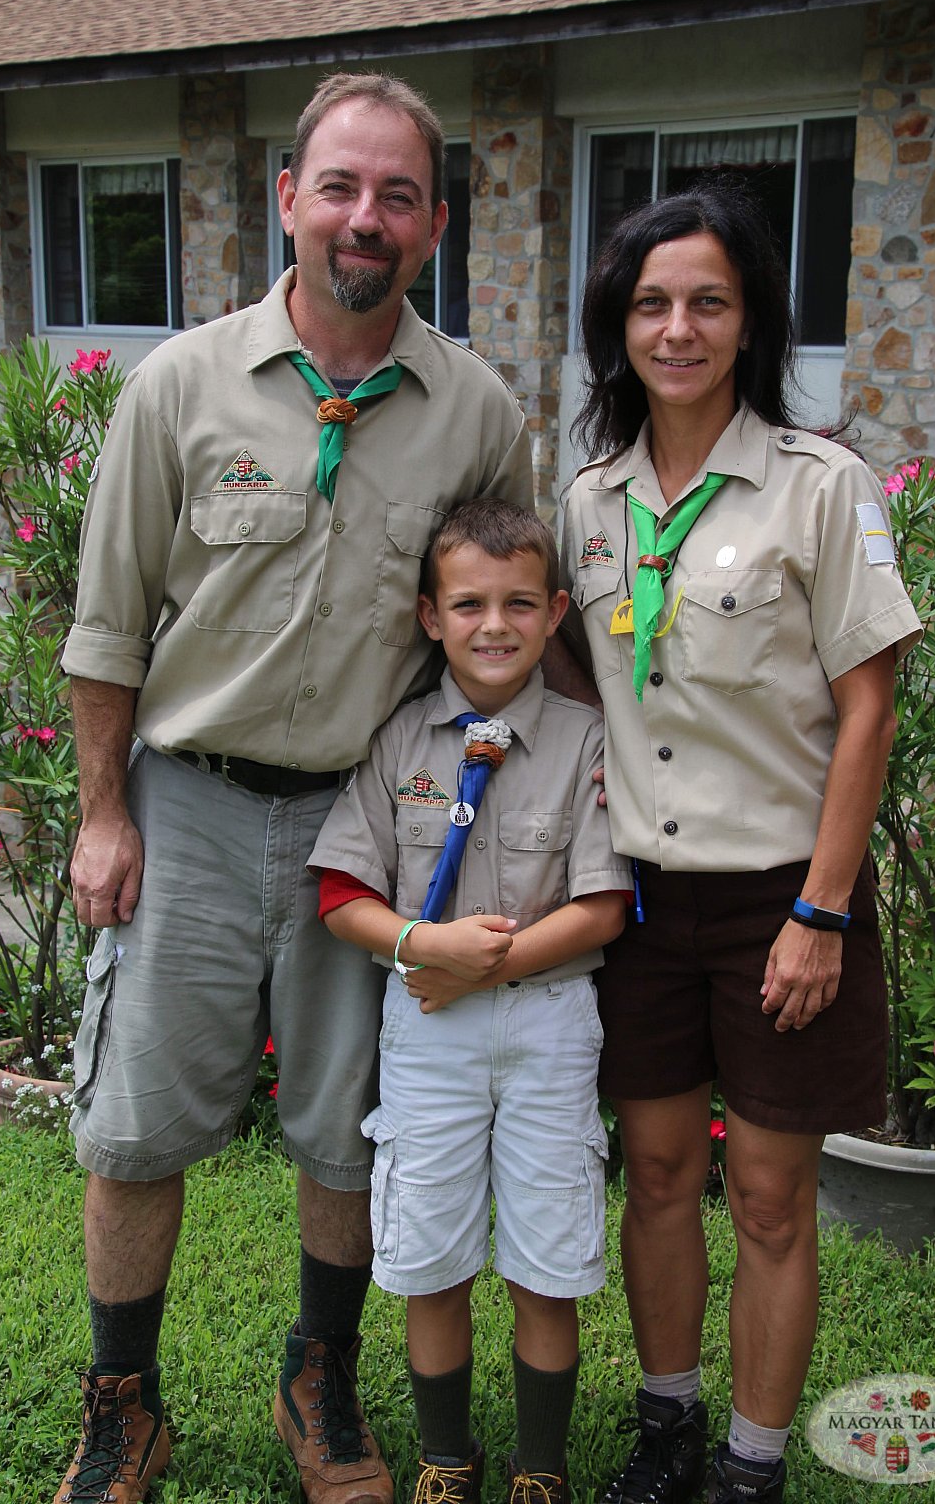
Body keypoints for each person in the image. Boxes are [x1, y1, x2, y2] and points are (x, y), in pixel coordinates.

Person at [57, 72, 534, 1504]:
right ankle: (122, 1406)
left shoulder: (476, 414)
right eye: (339, 185)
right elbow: (107, 625)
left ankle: (317, 1377)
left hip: (363, 823)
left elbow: (493, 636)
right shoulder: (178, 386)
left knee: (347, 1127)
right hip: (188, 805)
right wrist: (101, 814)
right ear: (286, 199)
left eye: (397, 194)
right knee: (135, 1126)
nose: (364, 216)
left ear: (435, 222)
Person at [560, 183, 922, 1504]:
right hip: (641, 905)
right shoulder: (586, 502)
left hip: (782, 896)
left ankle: (749, 1464)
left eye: (707, 302)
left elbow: (866, 706)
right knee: (657, 1175)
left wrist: (821, 913)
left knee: (767, 1196)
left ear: (750, 321)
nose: (678, 329)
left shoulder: (819, 487)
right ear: (617, 325)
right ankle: (665, 1428)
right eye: (651, 303)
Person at [308, 498, 631, 1504]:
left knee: (545, 1257)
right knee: (430, 1253)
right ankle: (446, 1461)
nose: (494, 624)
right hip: (427, 1030)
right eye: (468, 604)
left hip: (548, 1025)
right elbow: (340, 894)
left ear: (555, 613)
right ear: (429, 616)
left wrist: (481, 963)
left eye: (519, 603)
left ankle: (540, 1469)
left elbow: (603, 906)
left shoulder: (586, 742)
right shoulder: (399, 741)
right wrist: (423, 944)